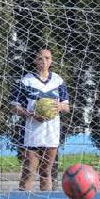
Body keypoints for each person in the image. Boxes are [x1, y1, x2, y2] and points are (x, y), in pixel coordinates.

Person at [11, 48, 70, 191]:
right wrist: (29, 113)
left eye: (47, 58)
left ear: (51, 61)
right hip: (32, 131)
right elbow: (14, 107)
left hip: (51, 131)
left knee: (46, 172)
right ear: (34, 61)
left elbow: (67, 107)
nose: (44, 61)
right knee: (29, 171)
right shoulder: (26, 81)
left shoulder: (58, 80)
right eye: (40, 58)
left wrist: (59, 106)